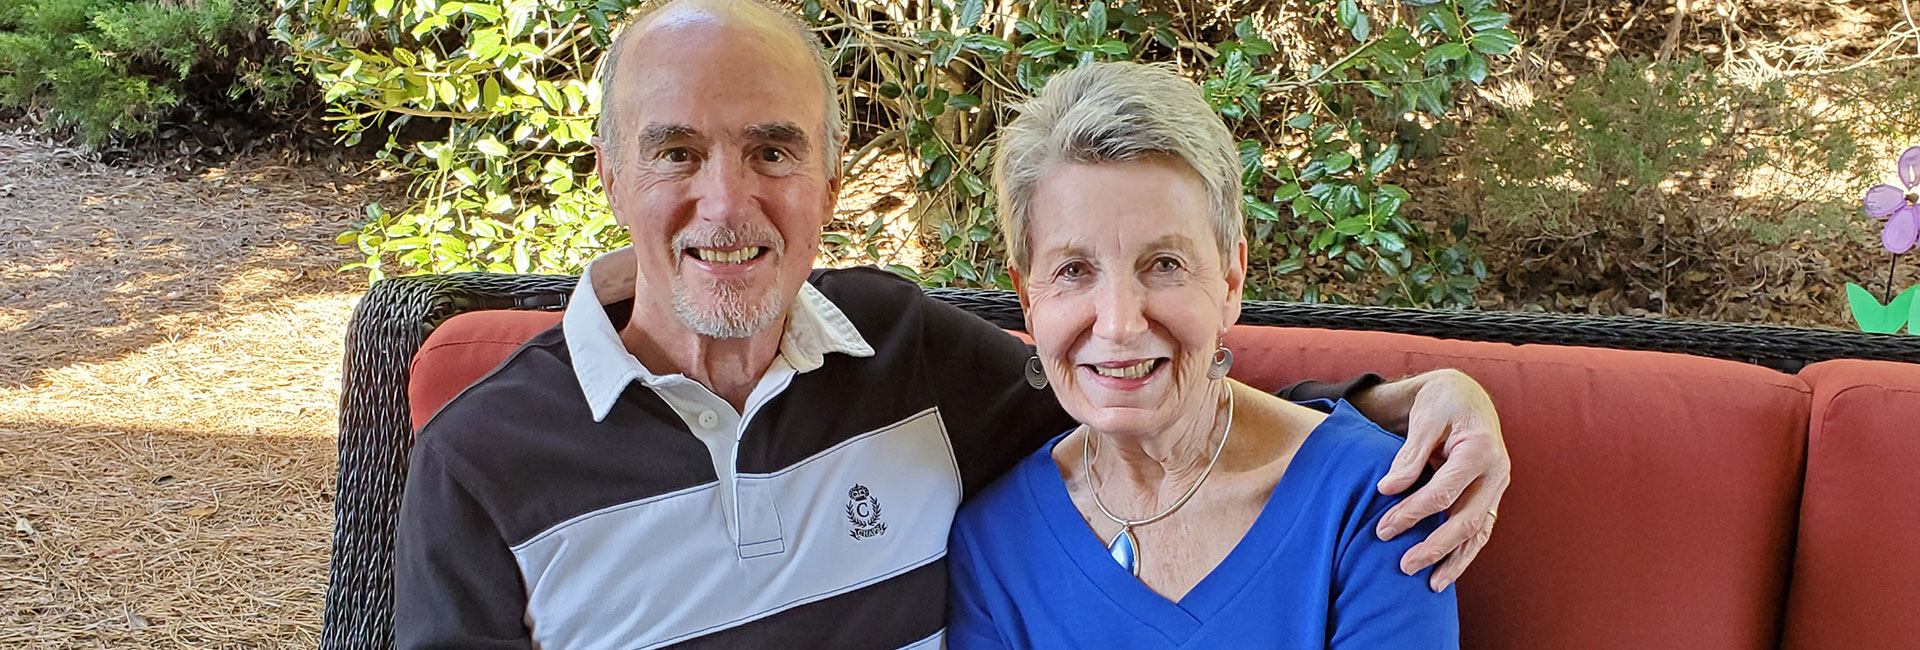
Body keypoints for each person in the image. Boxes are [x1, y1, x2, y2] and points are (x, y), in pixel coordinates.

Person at [391, 1, 1508, 648]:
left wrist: (1393, 408)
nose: (727, 203)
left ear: (829, 178)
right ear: (613, 176)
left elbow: (1133, 395)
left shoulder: (901, 353)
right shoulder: (482, 466)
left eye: (773, 149)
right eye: (678, 150)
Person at [945, 62, 1457, 649]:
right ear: (1026, 300)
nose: (1118, 323)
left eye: (1164, 264)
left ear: (1231, 281)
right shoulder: (996, 542)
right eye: (1073, 271)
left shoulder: (1370, 499)